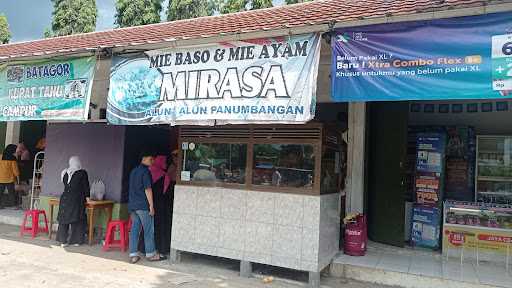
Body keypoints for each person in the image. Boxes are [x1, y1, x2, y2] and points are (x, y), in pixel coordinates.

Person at [128, 151, 165, 263]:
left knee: (135, 230)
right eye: (150, 159)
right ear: (144, 158)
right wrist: (151, 206)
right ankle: (151, 254)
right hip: (143, 206)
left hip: (132, 205)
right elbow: (148, 189)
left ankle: (133, 255)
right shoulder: (145, 172)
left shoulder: (133, 171)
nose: (152, 161)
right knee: (148, 230)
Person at [57, 156, 90, 247]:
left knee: (64, 219)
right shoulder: (82, 173)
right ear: (78, 162)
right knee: (78, 219)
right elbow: (86, 186)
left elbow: (65, 185)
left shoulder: (64, 172)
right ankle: (76, 241)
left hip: (65, 198)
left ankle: (62, 240)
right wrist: (88, 198)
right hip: (76, 199)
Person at [148, 155, 171, 256]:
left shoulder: (148, 172)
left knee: (149, 226)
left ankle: (146, 249)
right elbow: (166, 191)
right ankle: (162, 248)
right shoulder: (164, 176)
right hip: (161, 205)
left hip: (149, 203)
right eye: (164, 162)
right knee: (161, 226)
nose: (165, 164)